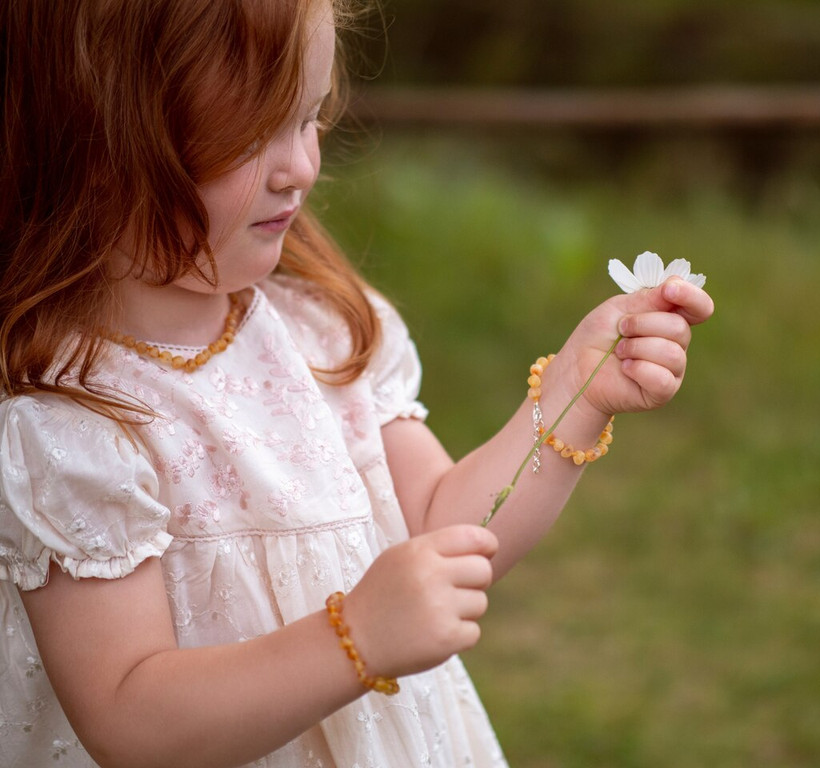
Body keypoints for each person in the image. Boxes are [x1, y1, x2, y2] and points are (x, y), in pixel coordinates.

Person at [0, 0, 715, 766]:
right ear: (96, 147)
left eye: (307, 119)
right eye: (250, 136)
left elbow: (444, 527)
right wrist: (355, 639)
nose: (301, 166)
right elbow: (128, 714)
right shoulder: (72, 427)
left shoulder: (323, 335)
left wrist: (576, 391)